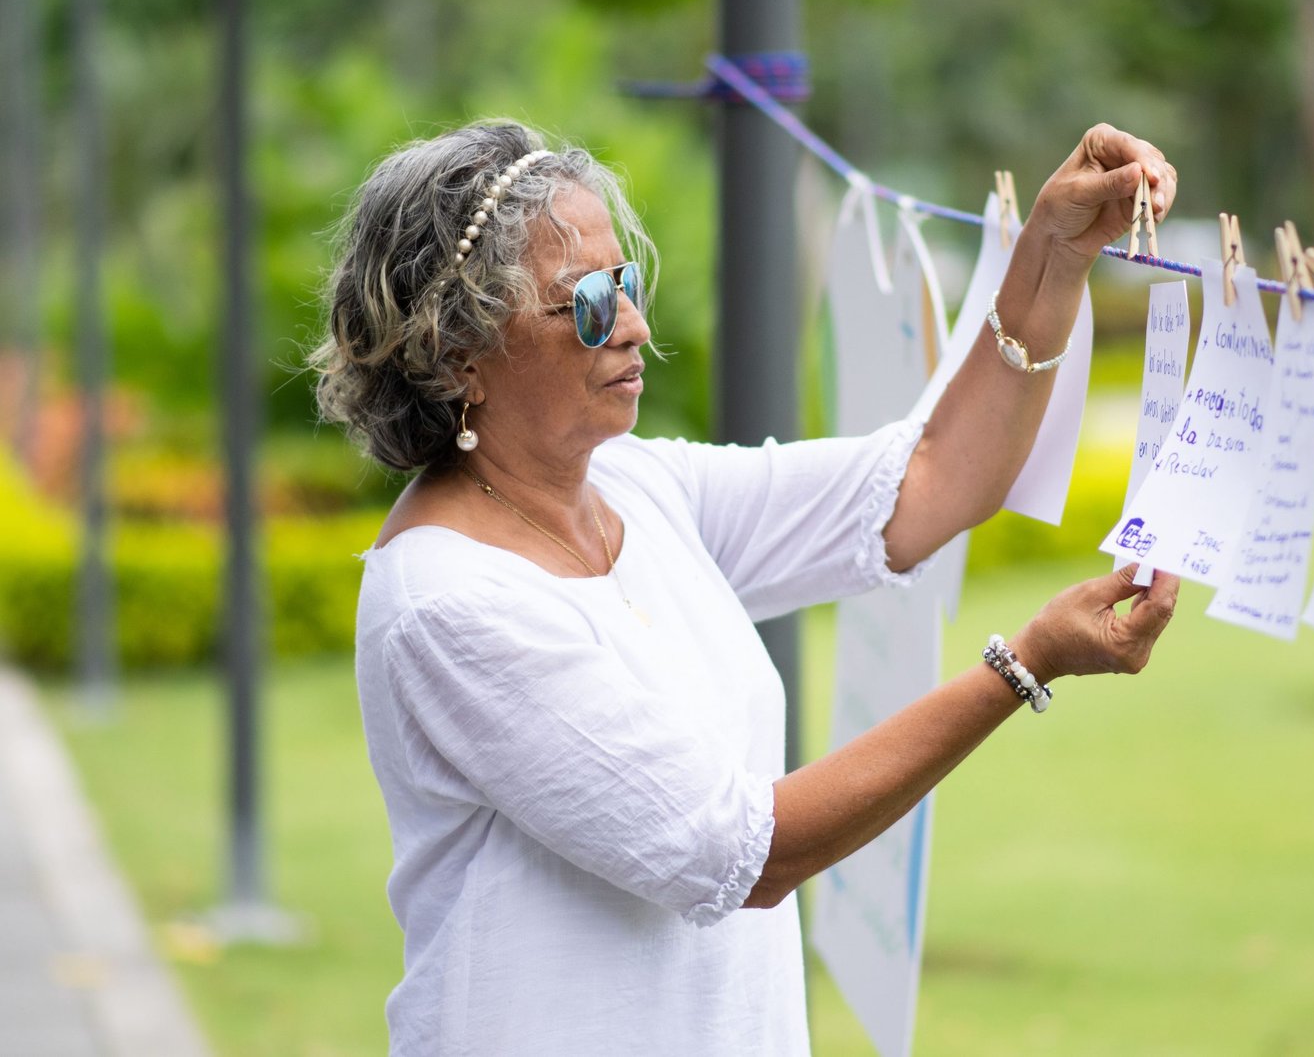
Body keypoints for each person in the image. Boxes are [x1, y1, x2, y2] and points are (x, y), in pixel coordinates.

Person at [309, 119, 1180, 1056]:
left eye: (629, 285)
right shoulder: (448, 602)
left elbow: (931, 483)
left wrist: (1052, 251)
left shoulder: (634, 487)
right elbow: (743, 854)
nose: (636, 325)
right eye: (591, 303)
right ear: (457, 356)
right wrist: (1025, 663)